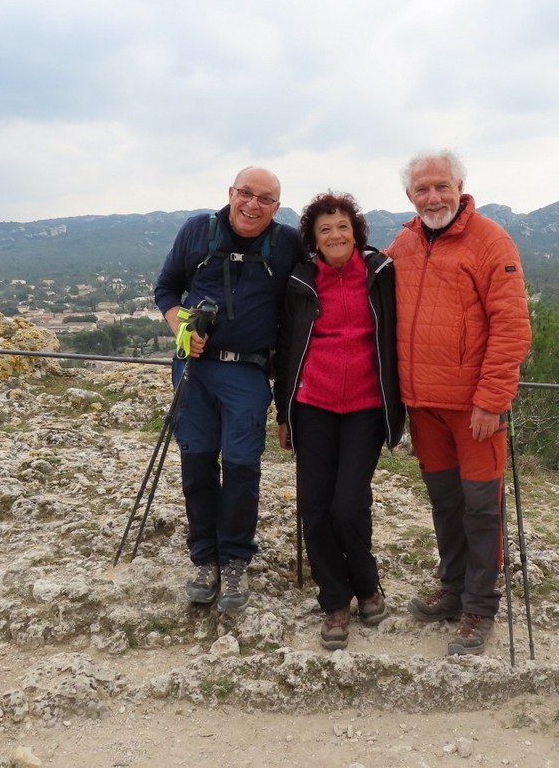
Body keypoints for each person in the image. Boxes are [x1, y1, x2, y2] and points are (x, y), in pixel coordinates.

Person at [386, 150, 531, 656]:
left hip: (475, 408)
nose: (433, 197)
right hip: (423, 406)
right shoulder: (402, 244)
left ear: (461, 186)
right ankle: (452, 589)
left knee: (480, 508)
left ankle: (479, 606)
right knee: (446, 503)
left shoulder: (491, 241)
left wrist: (493, 399)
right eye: (423, 189)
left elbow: (512, 327)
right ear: (410, 195)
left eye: (442, 187)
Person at [154, 167, 307, 614]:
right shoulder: (198, 231)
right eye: (246, 194)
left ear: (277, 207)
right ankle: (205, 559)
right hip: (195, 371)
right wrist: (181, 324)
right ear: (231, 193)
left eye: (265, 199)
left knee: (242, 470)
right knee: (197, 466)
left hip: (249, 373)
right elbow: (166, 289)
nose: (252, 205)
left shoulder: (287, 244)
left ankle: (236, 558)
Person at [274, 191, 405, 650]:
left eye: (343, 227)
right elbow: (288, 348)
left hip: (367, 406)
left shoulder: (381, 274)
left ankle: (366, 585)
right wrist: (283, 409)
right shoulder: (301, 280)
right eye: (325, 228)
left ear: (357, 233)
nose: (335, 235)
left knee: (348, 505)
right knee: (315, 507)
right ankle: (335, 600)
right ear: (313, 237)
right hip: (313, 406)